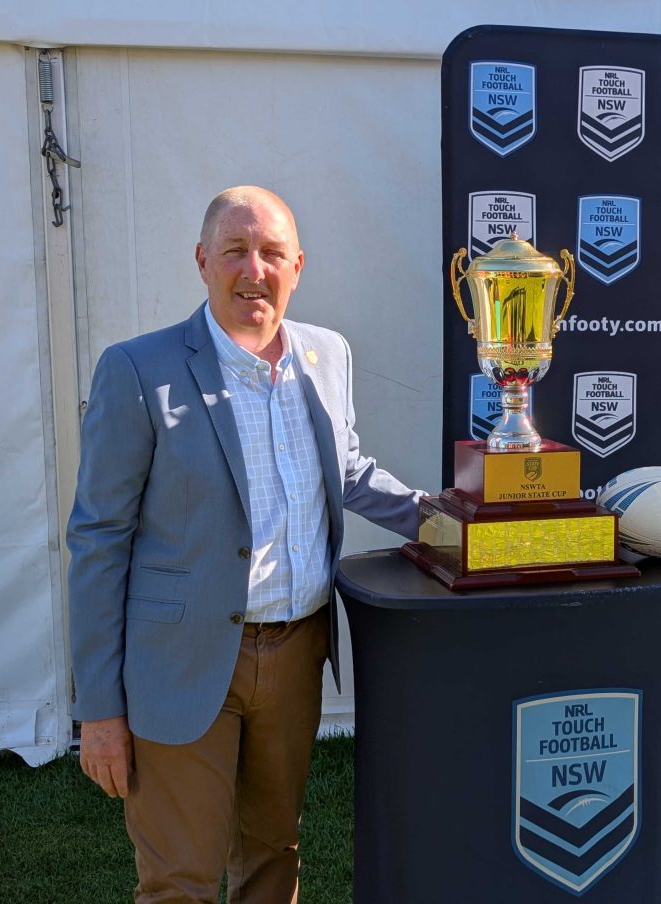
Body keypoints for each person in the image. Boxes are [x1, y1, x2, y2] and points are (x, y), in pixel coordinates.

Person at [67, 185, 424, 902]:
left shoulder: (327, 355)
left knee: (274, 858)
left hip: (294, 655)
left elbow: (346, 469)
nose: (252, 270)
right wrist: (98, 709)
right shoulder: (138, 370)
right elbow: (99, 536)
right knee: (180, 879)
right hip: (181, 661)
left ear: (298, 265)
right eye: (234, 251)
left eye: (271, 253)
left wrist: (444, 519)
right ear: (203, 261)